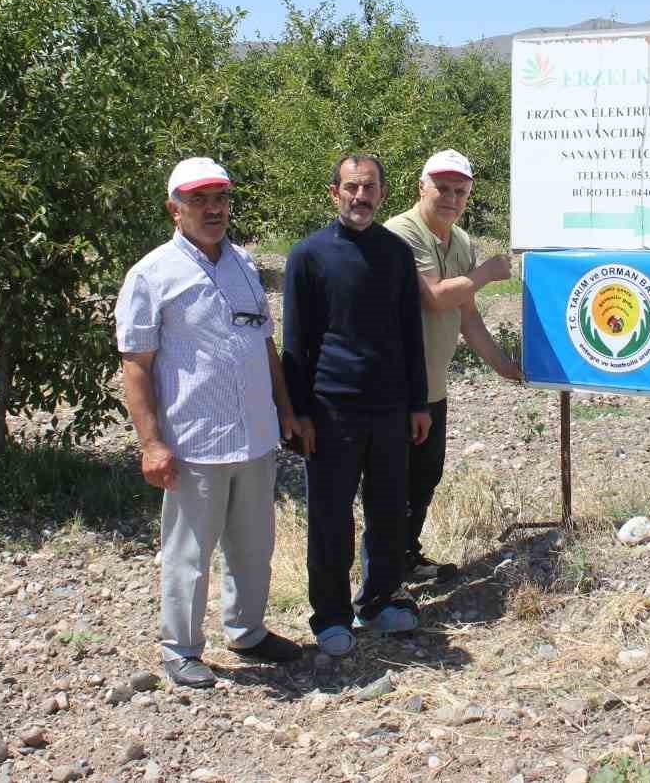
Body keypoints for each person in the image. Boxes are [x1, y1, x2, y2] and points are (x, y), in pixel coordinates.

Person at [115, 157, 310, 689]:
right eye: (198, 200)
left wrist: (285, 409)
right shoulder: (151, 275)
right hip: (192, 440)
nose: (213, 208)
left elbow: (263, 342)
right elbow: (136, 364)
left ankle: (247, 631)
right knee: (188, 553)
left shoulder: (244, 263)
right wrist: (151, 443)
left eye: (219, 198)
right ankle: (180, 648)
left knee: (253, 545)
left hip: (255, 434)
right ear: (173, 209)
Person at [282, 153, 430, 657]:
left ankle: (380, 600)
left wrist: (418, 402)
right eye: (351, 187)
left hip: (390, 408)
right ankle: (330, 616)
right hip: (330, 409)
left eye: (369, 188)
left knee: (388, 510)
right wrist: (297, 414)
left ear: (382, 194)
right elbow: (295, 342)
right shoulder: (309, 255)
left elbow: (412, 333)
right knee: (330, 517)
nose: (360, 197)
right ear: (334, 193)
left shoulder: (395, 253)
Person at [383, 149, 522, 582]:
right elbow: (435, 295)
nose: (450, 197)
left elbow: (466, 313)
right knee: (393, 484)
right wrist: (487, 272)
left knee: (425, 477)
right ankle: (383, 577)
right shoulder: (400, 234)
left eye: (459, 191)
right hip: (395, 386)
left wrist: (503, 365)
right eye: (441, 188)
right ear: (421, 187)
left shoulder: (459, 240)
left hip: (432, 387)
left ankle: (405, 558)